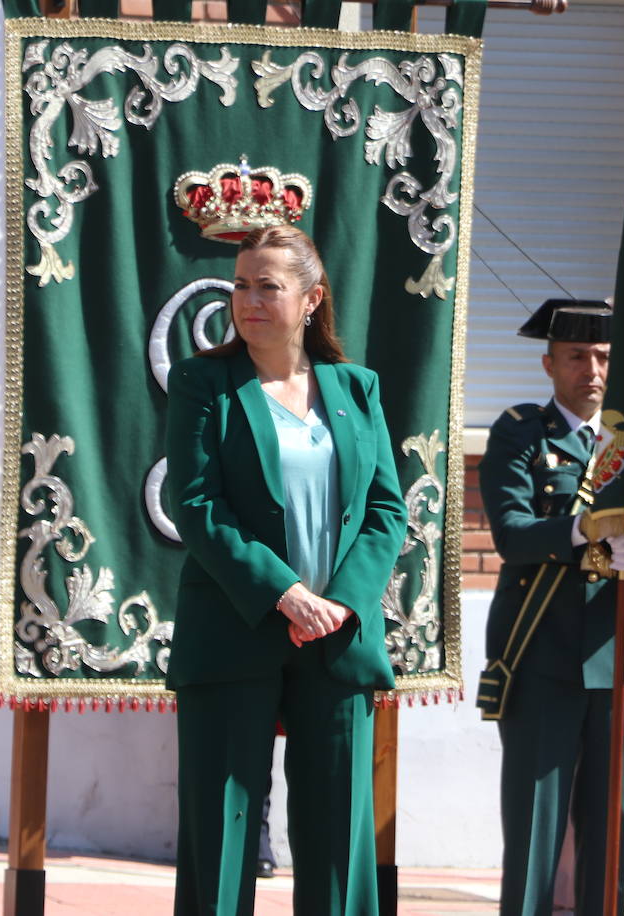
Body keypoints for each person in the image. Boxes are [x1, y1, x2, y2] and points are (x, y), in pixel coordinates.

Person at [164, 224, 406, 915]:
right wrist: (287, 594)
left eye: (268, 286)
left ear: (311, 299)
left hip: (336, 636)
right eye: (241, 285)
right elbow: (198, 504)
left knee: (338, 842)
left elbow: (385, 509)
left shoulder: (356, 389)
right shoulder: (202, 382)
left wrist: (340, 603)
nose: (249, 300)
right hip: (234, 631)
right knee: (222, 834)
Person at [477, 299, 624, 916]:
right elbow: (512, 535)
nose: (593, 370)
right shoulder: (520, 430)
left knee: (611, 833)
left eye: (605, 357)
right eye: (578, 356)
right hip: (541, 654)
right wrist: (586, 530)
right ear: (550, 364)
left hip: (621, 659)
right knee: (533, 830)